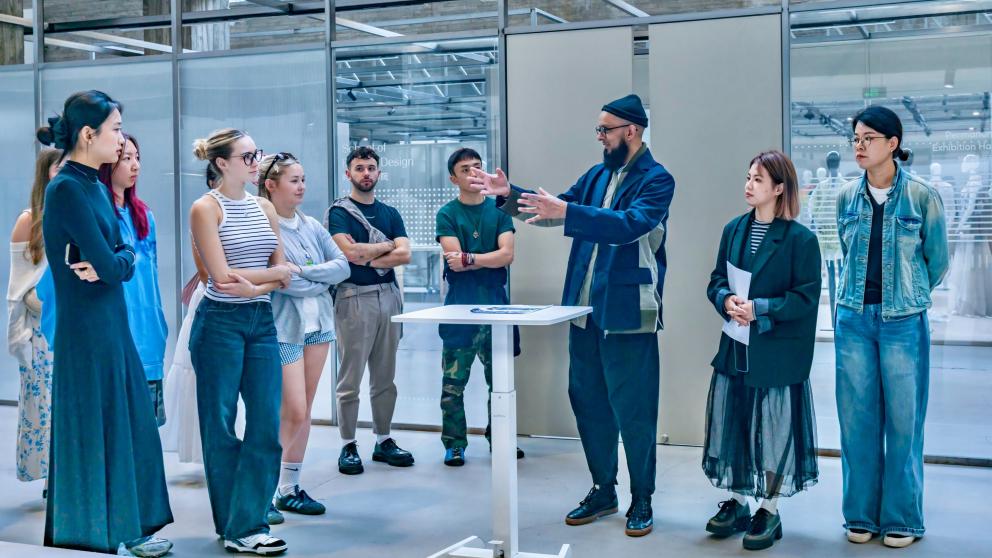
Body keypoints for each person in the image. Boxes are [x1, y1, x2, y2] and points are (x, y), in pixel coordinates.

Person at [468, 94, 675, 537]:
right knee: (588, 404)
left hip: (628, 313)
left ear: (631, 131)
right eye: (599, 130)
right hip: (582, 313)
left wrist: (569, 211)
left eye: (606, 129)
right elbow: (552, 210)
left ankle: (642, 498)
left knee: (635, 411)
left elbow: (628, 225)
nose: (600, 137)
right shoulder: (597, 174)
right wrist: (510, 195)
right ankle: (604, 489)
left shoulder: (657, 180)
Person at [38, 90, 173, 556]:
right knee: (92, 428)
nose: (121, 141)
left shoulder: (94, 185)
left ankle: (128, 528)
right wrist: (115, 260)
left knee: (128, 424)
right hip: (86, 329)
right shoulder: (67, 189)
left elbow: (124, 255)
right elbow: (114, 263)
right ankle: (91, 534)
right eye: (115, 130)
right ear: (89, 134)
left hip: (110, 323)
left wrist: (115, 260)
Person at [834, 106, 948, 549]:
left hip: (903, 321)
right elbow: (847, 254)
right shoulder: (847, 196)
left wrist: (909, 293)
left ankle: (902, 518)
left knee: (904, 422)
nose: (859, 146)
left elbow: (936, 262)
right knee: (856, 421)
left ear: (893, 144)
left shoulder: (922, 196)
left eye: (868, 138)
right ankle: (861, 514)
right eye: (856, 139)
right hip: (853, 318)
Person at [703, 151, 821, 551]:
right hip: (736, 343)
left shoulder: (800, 239)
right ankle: (737, 503)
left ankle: (769, 508)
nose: (749, 185)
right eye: (748, 176)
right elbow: (717, 278)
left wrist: (761, 309)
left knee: (773, 428)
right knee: (734, 421)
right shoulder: (733, 230)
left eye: (757, 179)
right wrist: (725, 300)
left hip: (775, 350)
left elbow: (805, 299)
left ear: (779, 188)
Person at [189, 128, 292, 555]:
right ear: (222, 164)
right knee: (220, 427)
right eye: (247, 157)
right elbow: (220, 276)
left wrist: (254, 286)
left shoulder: (264, 206)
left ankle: (245, 523)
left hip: (261, 319)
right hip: (219, 324)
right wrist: (260, 281)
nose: (256, 163)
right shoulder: (205, 209)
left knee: (267, 423)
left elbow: (284, 268)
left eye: (257, 155)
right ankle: (239, 527)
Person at [257, 152, 349, 515]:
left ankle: (289, 487)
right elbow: (284, 280)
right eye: (294, 180)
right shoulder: (266, 227)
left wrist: (305, 273)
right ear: (271, 185)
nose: (302, 187)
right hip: (285, 330)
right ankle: (262, 491)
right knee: (292, 409)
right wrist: (313, 277)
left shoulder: (311, 224)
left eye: (303, 179)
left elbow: (342, 266)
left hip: (319, 326)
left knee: (305, 409)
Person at [327, 146, 414, 475]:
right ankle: (347, 444)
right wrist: (387, 245)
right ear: (348, 174)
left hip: (388, 296)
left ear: (378, 173)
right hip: (353, 298)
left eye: (371, 168)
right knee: (350, 378)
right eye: (360, 168)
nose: (366, 173)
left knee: (385, 376)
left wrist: (369, 253)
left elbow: (405, 254)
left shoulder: (390, 213)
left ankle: (383, 439)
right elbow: (348, 253)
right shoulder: (339, 213)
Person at [435, 147, 521, 466]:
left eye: (477, 167)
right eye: (466, 169)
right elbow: (453, 262)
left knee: (499, 383)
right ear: (453, 178)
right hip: (459, 308)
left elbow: (507, 256)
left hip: (497, 306)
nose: (474, 173)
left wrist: (471, 258)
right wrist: (484, 259)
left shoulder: (500, 211)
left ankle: (499, 439)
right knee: (453, 384)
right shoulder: (447, 214)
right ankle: (454, 443)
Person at [97, 133, 169, 426]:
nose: (135, 165)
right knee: (118, 425)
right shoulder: (99, 214)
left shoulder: (144, 215)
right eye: (126, 158)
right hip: (117, 329)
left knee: (147, 427)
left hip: (149, 329)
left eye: (137, 157)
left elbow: (150, 277)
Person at [6, 147, 61, 486]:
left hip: (72, 324)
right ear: (47, 173)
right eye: (60, 167)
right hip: (41, 329)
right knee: (42, 402)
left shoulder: (79, 214)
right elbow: (17, 288)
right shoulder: (30, 220)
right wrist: (17, 341)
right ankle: (49, 478)